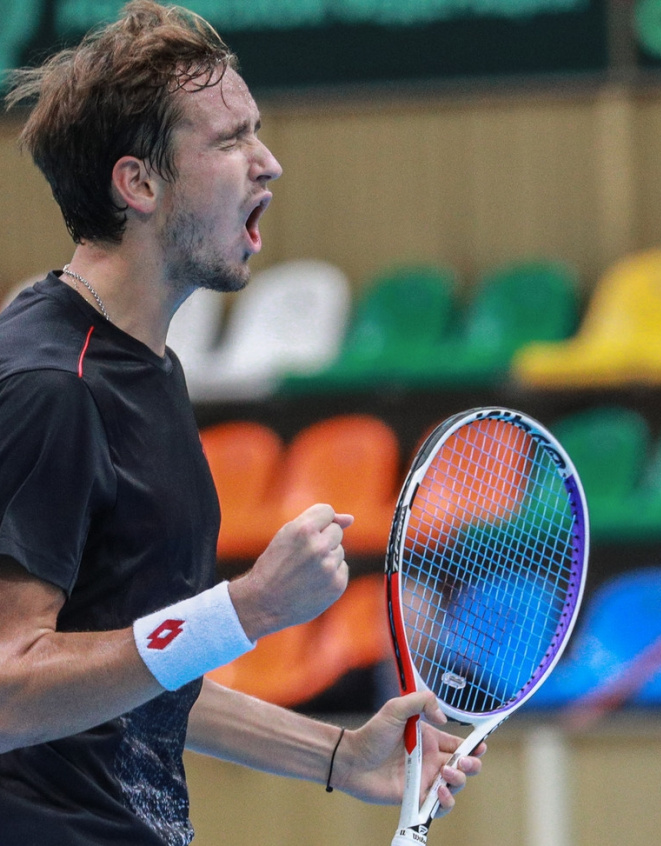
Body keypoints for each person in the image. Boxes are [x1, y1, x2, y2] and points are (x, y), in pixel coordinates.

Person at [0, 4, 482, 845]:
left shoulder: (143, 365)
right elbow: (10, 693)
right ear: (138, 185)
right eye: (229, 140)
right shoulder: (52, 388)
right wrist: (247, 611)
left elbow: (136, 678)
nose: (269, 162)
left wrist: (338, 755)